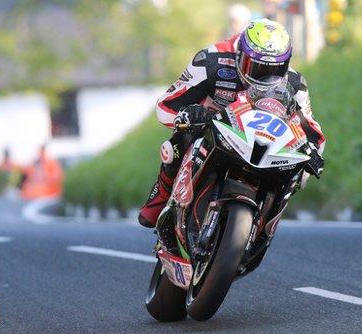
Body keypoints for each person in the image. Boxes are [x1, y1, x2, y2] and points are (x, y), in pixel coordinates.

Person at [138, 18, 326, 229]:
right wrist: (188, 114)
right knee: (180, 140)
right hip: (213, 129)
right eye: (255, 67)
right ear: (239, 54)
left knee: (296, 172)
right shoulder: (211, 60)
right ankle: (162, 196)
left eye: (274, 69)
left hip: (262, 141)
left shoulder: (294, 83)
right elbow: (166, 105)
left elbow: (311, 131)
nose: (263, 76)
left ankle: (265, 228)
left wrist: (312, 153)